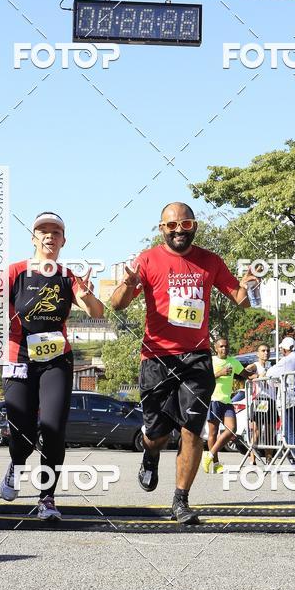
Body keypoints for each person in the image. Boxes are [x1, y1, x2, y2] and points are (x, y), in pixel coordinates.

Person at [110, 202, 256, 525]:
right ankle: (150, 455)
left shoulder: (210, 261)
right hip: (157, 358)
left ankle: (180, 501)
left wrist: (248, 287)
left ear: (194, 227)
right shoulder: (147, 260)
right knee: (157, 433)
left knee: (192, 431)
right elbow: (116, 305)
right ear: (162, 228)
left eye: (186, 224)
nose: (179, 230)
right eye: (172, 225)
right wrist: (129, 284)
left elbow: (240, 300)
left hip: (196, 358)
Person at [0, 211, 104, 521]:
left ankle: (47, 498)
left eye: (55, 232)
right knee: (23, 434)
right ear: (33, 238)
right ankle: (17, 464)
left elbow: (96, 312)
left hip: (56, 359)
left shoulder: (68, 276)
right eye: (43, 231)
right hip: (19, 358)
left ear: (63, 240)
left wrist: (86, 295)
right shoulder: (15, 271)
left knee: (54, 429)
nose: (49, 235)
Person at [202, 338, 251, 474]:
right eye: (221, 346)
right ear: (216, 348)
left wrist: (257, 374)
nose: (224, 349)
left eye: (226, 346)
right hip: (213, 399)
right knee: (213, 433)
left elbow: (246, 375)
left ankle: (209, 455)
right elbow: (205, 378)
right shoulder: (211, 361)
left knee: (232, 429)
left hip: (227, 401)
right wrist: (220, 373)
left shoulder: (233, 361)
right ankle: (216, 464)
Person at [265, 337, 295, 457]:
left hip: (290, 399)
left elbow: (270, 373)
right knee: (292, 429)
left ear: (285, 349)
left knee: (290, 431)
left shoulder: (287, 360)